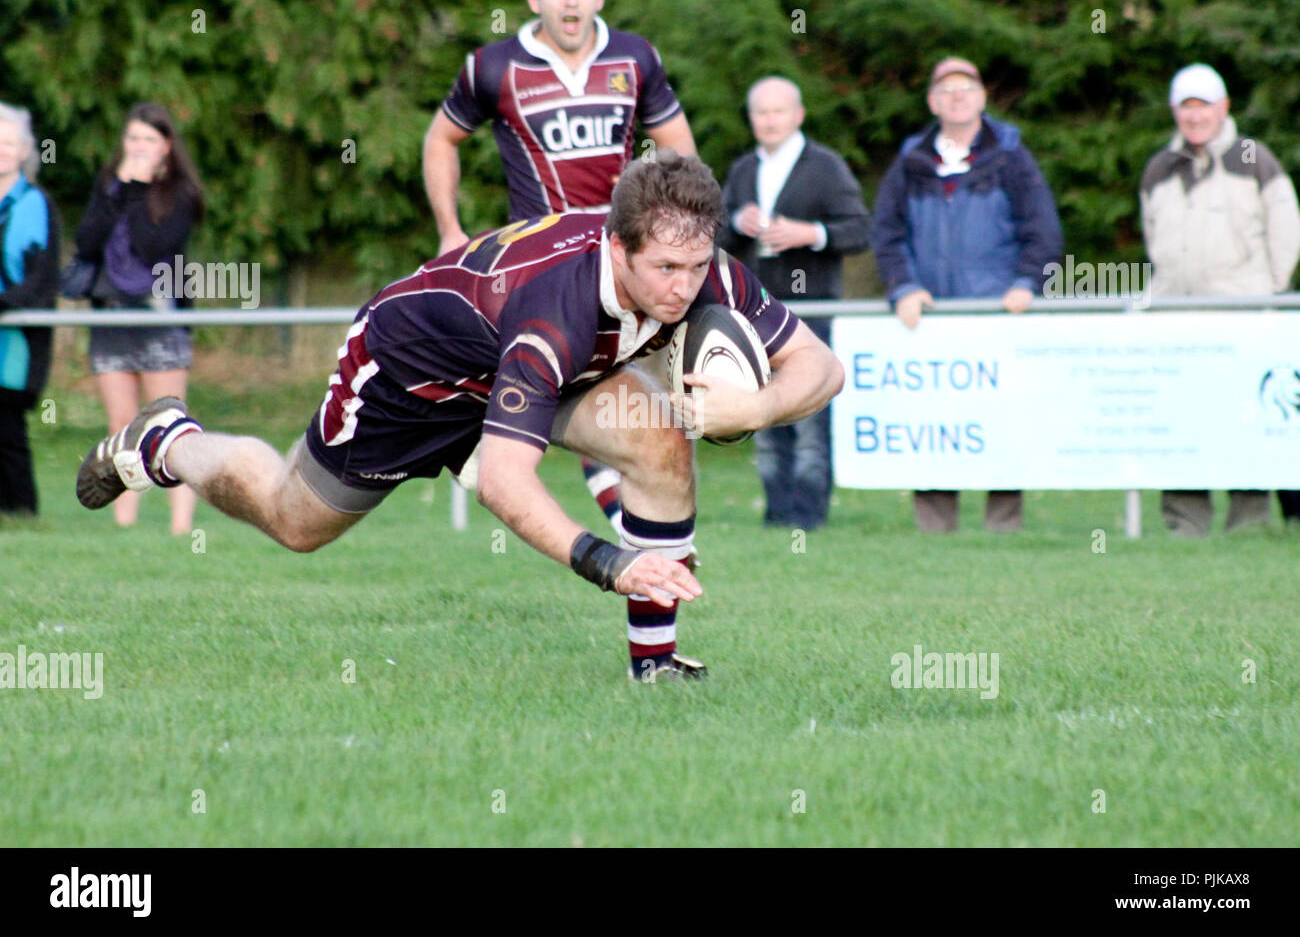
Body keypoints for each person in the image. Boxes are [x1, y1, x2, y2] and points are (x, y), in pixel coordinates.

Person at [76, 153, 844, 682]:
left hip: (529, 372)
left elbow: (823, 367)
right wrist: (610, 564)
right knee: (293, 521)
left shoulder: (704, 270)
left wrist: (758, 405)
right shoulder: (555, 311)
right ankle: (171, 442)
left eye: (697, 267)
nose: (684, 289)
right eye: (664, 270)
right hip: (410, 376)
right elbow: (506, 484)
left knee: (657, 443)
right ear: (617, 248)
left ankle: (657, 669)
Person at [423, 0, 697, 528]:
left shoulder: (635, 57)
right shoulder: (492, 67)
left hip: (623, 257)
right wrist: (450, 231)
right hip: (544, 265)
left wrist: (679, 235)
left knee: (627, 399)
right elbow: (441, 139)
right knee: (589, 381)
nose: (569, 2)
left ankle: (635, 525)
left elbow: (679, 149)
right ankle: (478, 438)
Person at [870, 57, 1063, 533]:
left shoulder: (1012, 157)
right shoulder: (910, 164)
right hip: (929, 322)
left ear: (982, 98)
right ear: (933, 102)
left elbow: (1042, 229)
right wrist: (903, 286)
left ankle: (1004, 527)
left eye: (966, 87)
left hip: (996, 317)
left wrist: (1025, 283)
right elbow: (887, 232)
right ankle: (936, 531)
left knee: (1001, 422)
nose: (956, 96)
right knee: (933, 423)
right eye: (946, 89)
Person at [1141, 63, 1300, 536]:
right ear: (1175, 112)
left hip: (1242, 319)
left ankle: (1247, 524)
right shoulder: (1158, 168)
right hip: (1177, 321)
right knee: (1182, 422)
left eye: (1204, 106)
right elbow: (1154, 239)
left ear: (1223, 107)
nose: (1195, 117)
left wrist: (1268, 290)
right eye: (1186, 108)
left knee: (1242, 423)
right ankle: (1184, 525)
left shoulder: (1254, 156)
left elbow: (1286, 225)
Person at [717, 76, 870, 531]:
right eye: (760, 112)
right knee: (763, 416)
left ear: (798, 115)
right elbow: (715, 238)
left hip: (813, 311)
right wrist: (735, 223)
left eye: (778, 111)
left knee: (808, 422)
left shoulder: (825, 167)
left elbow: (859, 229)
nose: (769, 120)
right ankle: (775, 515)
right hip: (757, 314)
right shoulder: (744, 169)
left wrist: (811, 234)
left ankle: (808, 519)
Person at [73, 102, 204, 534]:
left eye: (149, 139)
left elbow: (153, 247)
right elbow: (87, 244)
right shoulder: (110, 185)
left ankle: (182, 527)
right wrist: (122, 190)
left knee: (171, 425)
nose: (139, 147)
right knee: (121, 426)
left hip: (159, 318)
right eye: (133, 138)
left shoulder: (181, 192)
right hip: (111, 318)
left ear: (166, 146)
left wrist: (138, 189)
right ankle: (124, 525)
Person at [0, 103, 60, 517]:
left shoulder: (36, 205)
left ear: (24, 151)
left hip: (15, 338)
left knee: (6, 429)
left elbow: (41, 280)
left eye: (9, 142)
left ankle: (21, 511)